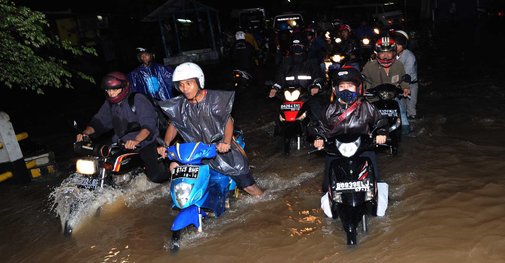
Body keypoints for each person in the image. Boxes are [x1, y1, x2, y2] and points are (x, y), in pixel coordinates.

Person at [157, 62, 264, 196]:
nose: (184, 88)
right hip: (196, 152)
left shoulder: (216, 99)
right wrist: (165, 145)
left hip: (221, 151)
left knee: (250, 188)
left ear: (198, 81)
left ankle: (267, 199)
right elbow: (174, 125)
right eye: (181, 84)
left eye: (188, 83)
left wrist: (225, 143)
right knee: (174, 167)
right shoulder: (179, 105)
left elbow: (227, 120)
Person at [76, 71, 170, 183]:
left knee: (155, 177)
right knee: (100, 163)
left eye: (114, 89)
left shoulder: (138, 99)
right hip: (120, 142)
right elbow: (99, 122)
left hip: (146, 142)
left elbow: (148, 126)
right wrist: (85, 133)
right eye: (108, 90)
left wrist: (136, 140)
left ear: (124, 87)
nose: (111, 93)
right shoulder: (109, 104)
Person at [310, 66, 388, 192]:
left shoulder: (367, 106)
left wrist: (381, 133)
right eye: (342, 86)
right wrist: (319, 138)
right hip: (335, 149)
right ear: (336, 89)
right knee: (326, 186)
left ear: (358, 88)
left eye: (350, 86)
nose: (346, 89)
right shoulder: (329, 109)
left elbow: (380, 121)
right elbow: (319, 126)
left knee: (376, 182)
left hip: (363, 148)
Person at [268, 37, 327, 154]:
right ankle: (279, 135)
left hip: (307, 94)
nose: (297, 48)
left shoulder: (311, 61)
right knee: (278, 109)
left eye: (299, 45)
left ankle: (321, 135)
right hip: (289, 94)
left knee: (316, 108)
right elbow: (279, 78)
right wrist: (274, 88)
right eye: (294, 45)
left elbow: (318, 77)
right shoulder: (285, 62)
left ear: (304, 47)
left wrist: (316, 86)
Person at [361, 36, 411, 134]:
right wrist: (363, 91)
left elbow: (402, 79)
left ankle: (405, 136)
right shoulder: (369, 66)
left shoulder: (399, 65)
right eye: (382, 52)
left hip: (392, 98)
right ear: (377, 53)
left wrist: (406, 88)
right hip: (374, 99)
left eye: (388, 52)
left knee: (403, 117)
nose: (385, 55)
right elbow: (363, 80)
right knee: (364, 121)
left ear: (394, 53)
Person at [393, 30, 420, 120]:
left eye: (399, 45)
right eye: (395, 44)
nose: (396, 47)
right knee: (400, 111)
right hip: (397, 85)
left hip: (410, 84)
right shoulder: (390, 55)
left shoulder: (409, 56)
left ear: (403, 45)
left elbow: (405, 74)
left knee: (411, 111)